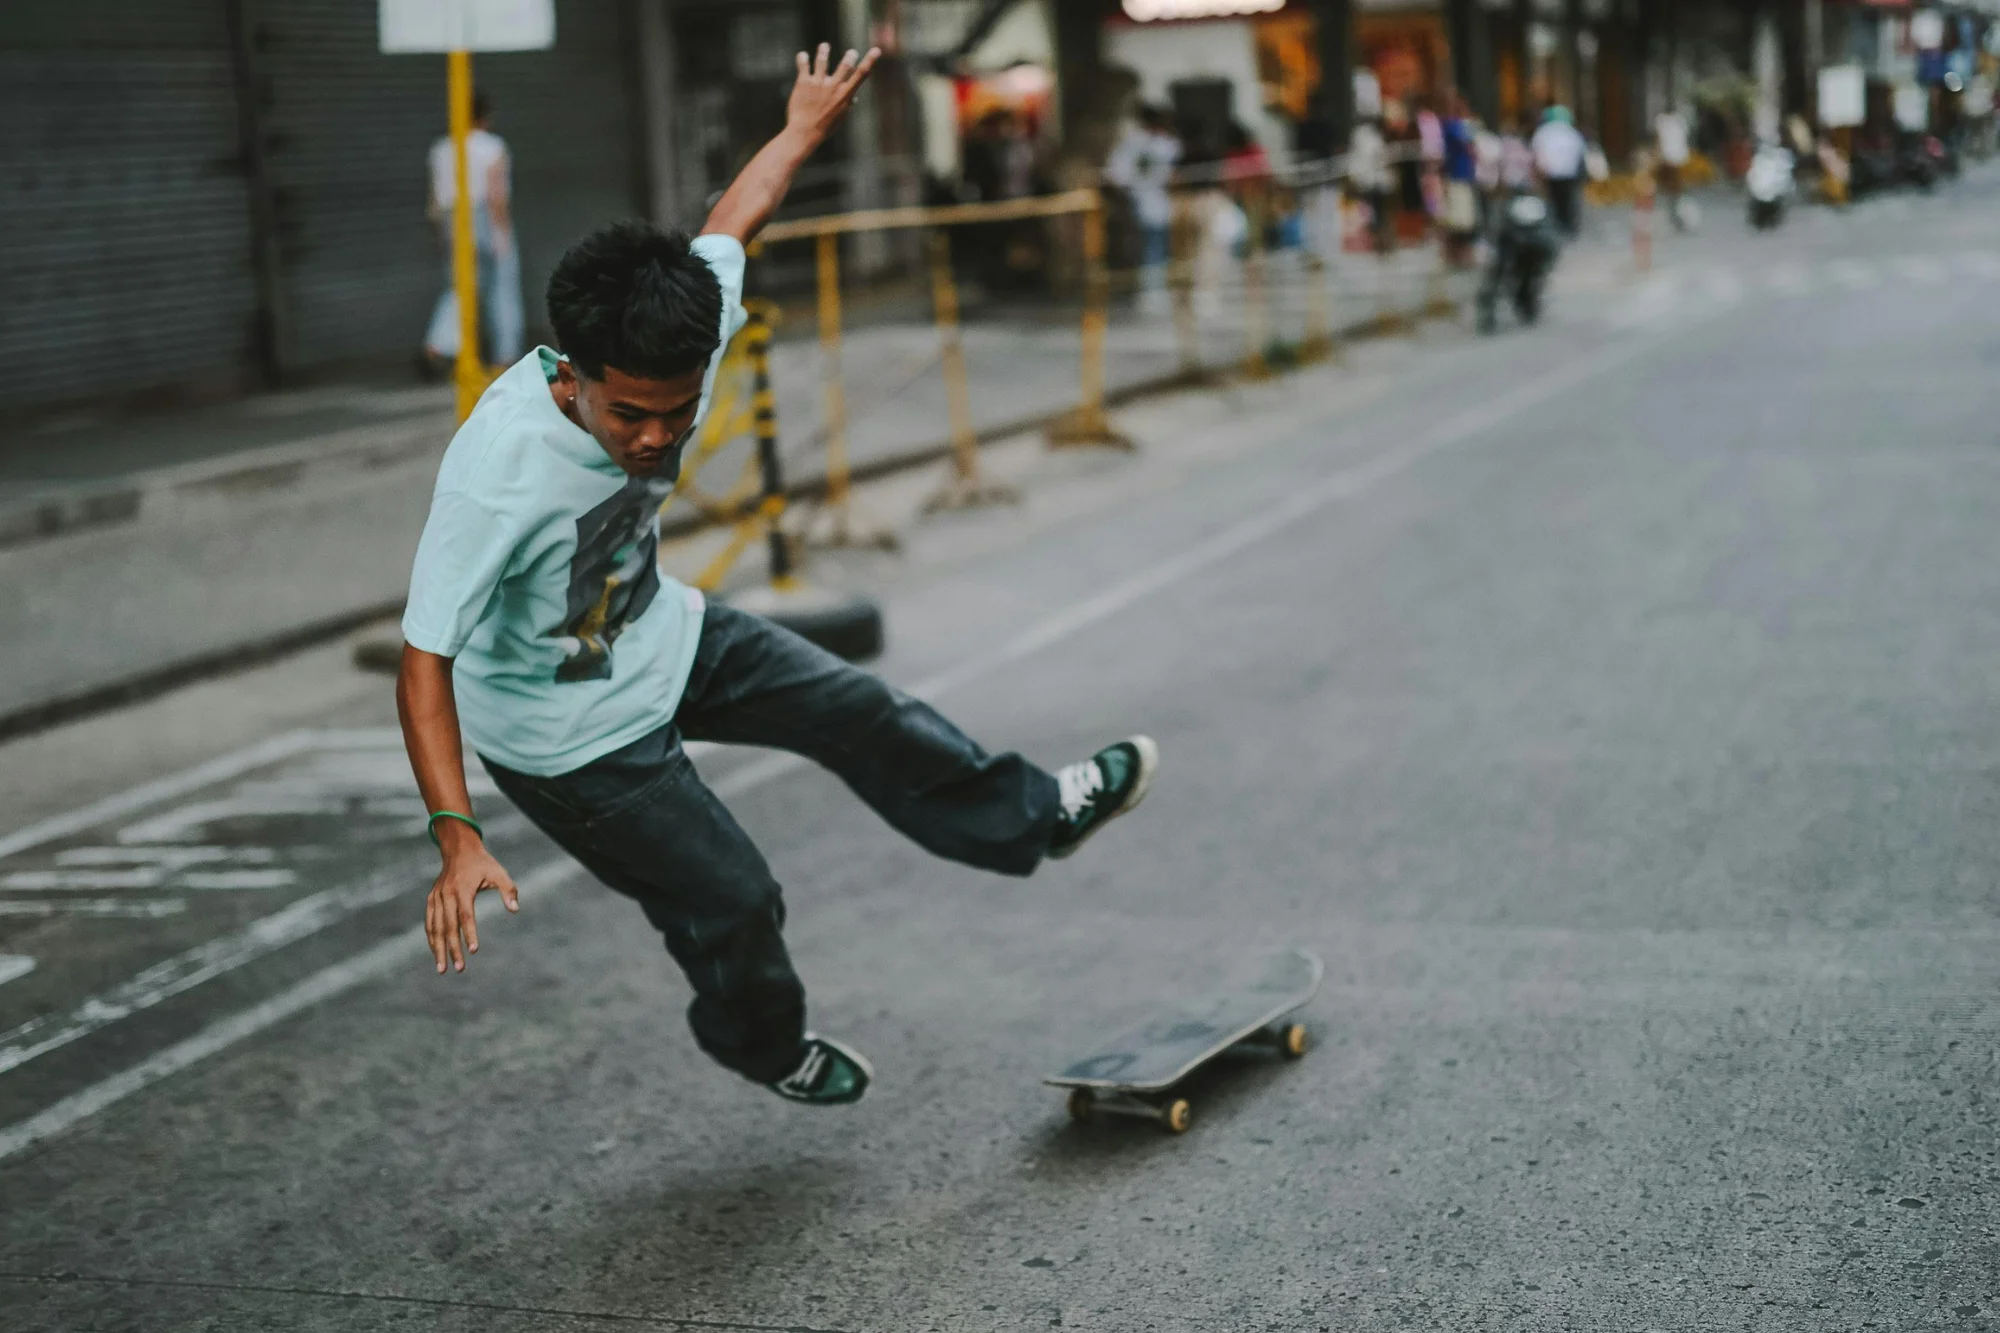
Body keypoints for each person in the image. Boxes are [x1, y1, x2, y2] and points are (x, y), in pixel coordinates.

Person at [394, 45, 1160, 1110]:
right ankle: (763, 1045)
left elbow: (732, 217)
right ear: (571, 380)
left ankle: (1036, 814)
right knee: (735, 896)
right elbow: (422, 661)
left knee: (860, 707)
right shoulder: (497, 477)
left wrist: (801, 126)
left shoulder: (683, 321)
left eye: (675, 409)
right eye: (630, 416)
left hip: (658, 630)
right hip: (567, 738)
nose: (657, 437)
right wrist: (457, 832)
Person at [421, 90, 523, 378]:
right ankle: (505, 357)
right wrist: (502, 234)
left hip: (452, 220)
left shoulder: (441, 148)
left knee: (460, 287)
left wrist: (441, 236)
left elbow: (434, 201)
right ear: (485, 116)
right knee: (502, 288)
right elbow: (496, 195)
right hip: (485, 218)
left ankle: (438, 343)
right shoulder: (492, 146)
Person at [1104, 103, 1182, 313]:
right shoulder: (1164, 144)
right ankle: (1152, 292)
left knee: (1151, 250)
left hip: (1142, 204)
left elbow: (1116, 174)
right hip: (1152, 204)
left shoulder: (1135, 142)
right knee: (1154, 250)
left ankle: (1151, 292)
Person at [1531, 105, 1588, 237]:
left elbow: (1537, 152)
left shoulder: (1543, 132)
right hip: (1569, 174)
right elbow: (1580, 151)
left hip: (1551, 174)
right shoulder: (1571, 132)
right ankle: (1568, 226)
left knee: (1554, 201)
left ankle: (1557, 226)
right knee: (1568, 201)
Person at [1653, 104, 1692, 230]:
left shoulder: (1662, 121)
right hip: (1679, 157)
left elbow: (1659, 140)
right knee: (1674, 187)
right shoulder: (1680, 121)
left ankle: (1675, 213)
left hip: (1669, 157)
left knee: (1671, 187)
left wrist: (1658, 155)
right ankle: (1675, 211)